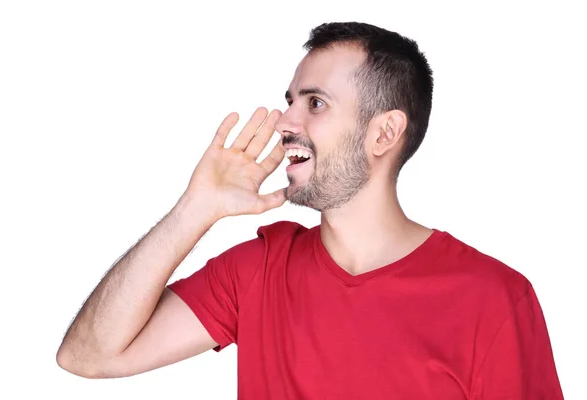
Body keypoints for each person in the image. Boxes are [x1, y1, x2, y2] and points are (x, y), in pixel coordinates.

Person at [56, 22, 564, 399]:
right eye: (290, 100)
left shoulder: (493, 298)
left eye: (315, 104)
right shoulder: (256, 272)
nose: (285, 121)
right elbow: (87, 356)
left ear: (384, 133)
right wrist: (195, 210)